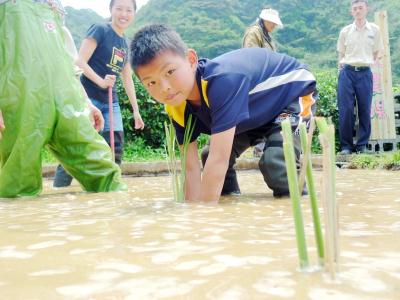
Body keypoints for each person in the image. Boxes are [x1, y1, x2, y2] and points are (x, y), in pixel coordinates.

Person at [129, 24, 317, 202]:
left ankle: (299, 206)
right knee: (208, 154)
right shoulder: (176, 106)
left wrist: (205, 220)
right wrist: (191, 216)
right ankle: (230, 204)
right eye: (151, 83)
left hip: (291, 96)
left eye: (169, 71)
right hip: (252, 111)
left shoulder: (221, 82)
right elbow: (191, 168)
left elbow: (218, 161)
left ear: (191, 60)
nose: (165, 88)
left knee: (277, 162)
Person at [0, 0, 126, 198]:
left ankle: (119, 219)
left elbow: (69, 63)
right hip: (21, 99)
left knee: (104, 172)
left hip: (67, 101)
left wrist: (87, 102)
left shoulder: (55, 8)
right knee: (18, 182)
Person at [53, 0, 144, 187]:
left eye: (128, 10)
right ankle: (59, 193)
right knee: (78, 147)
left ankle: (111, 189)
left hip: (111, 102)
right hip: (88, 98)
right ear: (111, 10)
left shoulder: (125, 44)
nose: (123, 14)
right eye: (119, 9)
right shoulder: (100, 30)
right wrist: (101, 81)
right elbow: (79, 61)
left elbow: (127, 79)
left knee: (115, 147)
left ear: (134, 14)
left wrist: (136, 110)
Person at [199, 7, 285, 196]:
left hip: (274, 97)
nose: (274, 26)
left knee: (276, 163)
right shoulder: (254, 33)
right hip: (255, 92)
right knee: (209, 153)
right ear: (265, 21)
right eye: (272, 22)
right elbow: (252, 60)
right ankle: (229, 197)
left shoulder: (268, 37)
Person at [337, 0, 383, 154]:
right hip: (347, 72)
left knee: (364, 109)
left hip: (364, 73)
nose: (357, 11)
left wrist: (369, 64)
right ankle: (346, 146)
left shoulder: (375, 30)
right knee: (346, 110)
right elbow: (341, 53)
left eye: (360, 8)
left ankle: (362, 145)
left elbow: (377, 52)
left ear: (366, 9)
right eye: (355, 9)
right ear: (351, 11)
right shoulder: (345, 31)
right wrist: (341, 68)